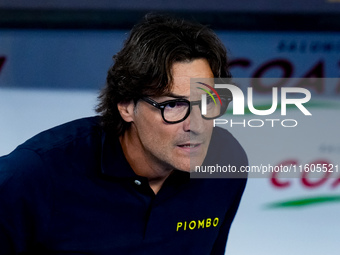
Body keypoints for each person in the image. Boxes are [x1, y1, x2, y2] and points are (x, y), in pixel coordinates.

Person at [0, 14, 247, 255]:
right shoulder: (34, 175)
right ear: (127, 105)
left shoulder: (227, 162)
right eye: (173, 105)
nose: (196, 125)